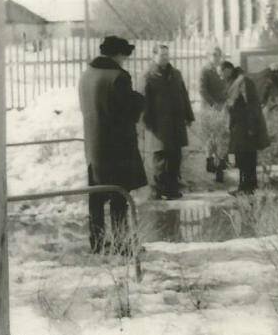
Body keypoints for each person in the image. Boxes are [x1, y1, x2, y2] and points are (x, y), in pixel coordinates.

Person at [79, 35, 147, 254]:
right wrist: (140, 99)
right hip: (116, 146)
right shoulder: (118, 76)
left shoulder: (87, 74)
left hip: (93, 144)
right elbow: (126, 112)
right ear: (118, 54)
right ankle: (122, 244)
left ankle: (97, 243)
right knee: (119, 196)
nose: (125, 59)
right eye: (124, 54)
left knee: (96, 196)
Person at [143, 44, 195, 200]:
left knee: (175, 157)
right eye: (162, 55)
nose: (165, 58)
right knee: (160, 159)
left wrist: (189, 116)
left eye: (167, 54)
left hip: (176, 123)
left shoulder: (176, 74)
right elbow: (144, 102)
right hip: (159, 125)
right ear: (154, 56)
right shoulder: (149, 76)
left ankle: (172, 189)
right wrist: (148, 123)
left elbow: (184, 95)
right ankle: (159, 191)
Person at [221, 61, 270, 196]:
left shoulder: (243, 82)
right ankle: (247, 186)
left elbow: (252, 105)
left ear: (229, 69)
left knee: (247, 157)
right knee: (243, 157)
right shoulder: (235, 81)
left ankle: (246, 187)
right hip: (239, 126)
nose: (222, 75)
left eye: (223, 71)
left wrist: (251, 127)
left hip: (246, 126)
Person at [199, 46, 228, 182]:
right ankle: (211, 161)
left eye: (218, 55)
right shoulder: (205, 71)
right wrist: (212, 104)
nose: (216, 57)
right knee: (212, 138)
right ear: (208, 56)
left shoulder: (222, 70)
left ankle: (219, 166)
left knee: (221, 138)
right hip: (209, 108)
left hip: (222, 107)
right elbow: (202, 90)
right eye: (214, 55)